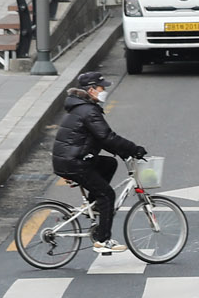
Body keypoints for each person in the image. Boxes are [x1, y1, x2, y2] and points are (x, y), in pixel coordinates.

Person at [50, 72, 146, 258]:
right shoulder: (89, 111)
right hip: (73, 162)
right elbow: (106, 136)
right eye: (102, 88)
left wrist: (122, 152)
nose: (105, 91)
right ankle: (103, 241)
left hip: (70, 159)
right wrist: (134, 149)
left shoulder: (83, 108)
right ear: (92, 90)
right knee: (107, 194)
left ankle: (95, 204)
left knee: (109, 163)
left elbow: (99, 139)